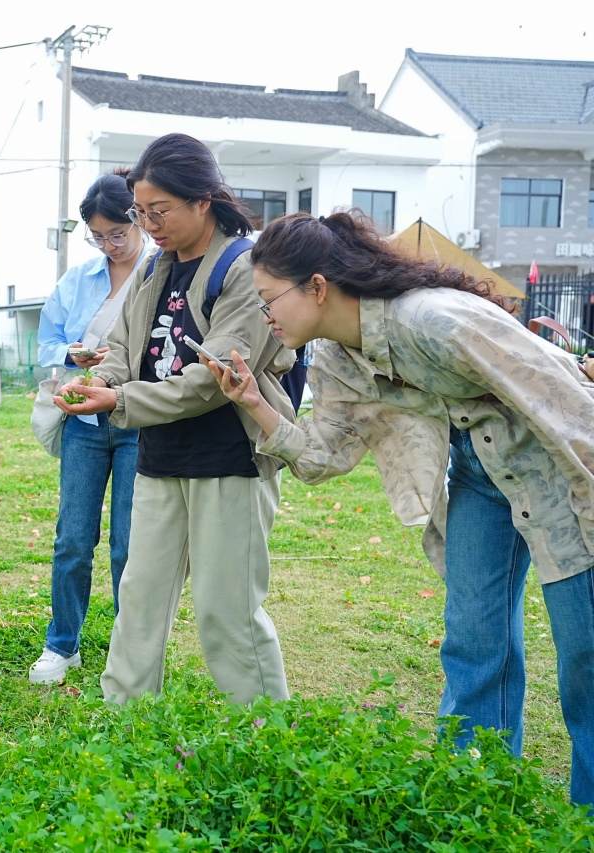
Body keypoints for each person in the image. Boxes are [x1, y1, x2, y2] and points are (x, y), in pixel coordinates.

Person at [205, 210, 594, 807]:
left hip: (560, 470)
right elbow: (324, 456)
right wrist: (255, 403)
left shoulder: (436, 321)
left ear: (316, 286)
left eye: (269, 299)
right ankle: (474, 797)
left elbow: (566, 404)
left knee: (585, 661)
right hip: (481, 473)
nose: (265, 316)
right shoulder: (338, 357)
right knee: (473, 639)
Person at [55, 133, 295, 705]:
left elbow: (215, 377)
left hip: (229, 460)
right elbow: (123, 344)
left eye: (158, 211)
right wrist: (101, 380)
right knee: (140, 598)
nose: (149, 225)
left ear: (203, 200)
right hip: (160, 455)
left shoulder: (244, 268)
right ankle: (125, 720)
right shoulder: (153, 269)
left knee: (226, 609)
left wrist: (119, 401)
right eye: (141, 213)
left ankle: (266, 732)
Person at [29, 173, 153, 685]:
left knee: (130, 544)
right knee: (73, 539)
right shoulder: (78, 279)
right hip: (83, 418)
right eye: (98, 236)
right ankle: (62, 643)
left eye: (117, 234)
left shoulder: (160, 273)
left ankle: (131, 649)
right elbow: (46, 343)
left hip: (137, 419)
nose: (109, 245)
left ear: (138, 220)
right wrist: (71, 353)